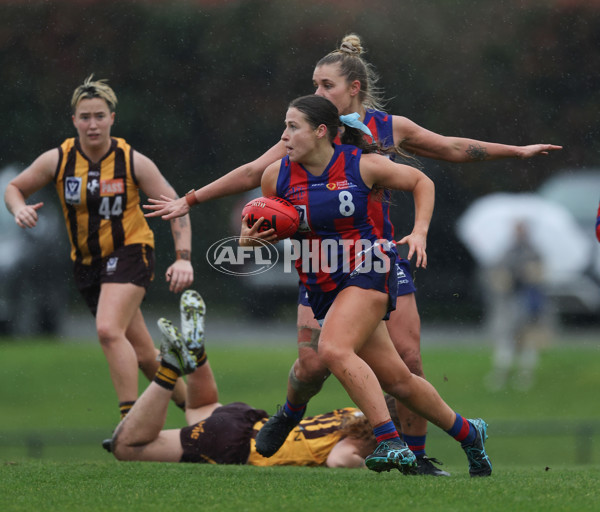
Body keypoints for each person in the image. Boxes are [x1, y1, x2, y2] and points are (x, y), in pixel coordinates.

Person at [144, 34, 560, 475]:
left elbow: (446, 154)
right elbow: (257, 189)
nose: (318, 94)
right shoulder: (288, 158)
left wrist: (511, 154)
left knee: (375, 355)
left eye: (326, 85)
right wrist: (233, 229)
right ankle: (464, 432)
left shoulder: (370, 146)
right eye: (315, 86)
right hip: (320, 273)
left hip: (372, 263)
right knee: (336, 369)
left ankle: (401, 449)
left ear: (352, 89)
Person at [239, 94, 492, 477]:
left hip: (369, 267)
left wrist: (419, 232)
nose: (284, 134)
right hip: (321, 282)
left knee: (334, 349)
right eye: (285, 126)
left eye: (293, 126)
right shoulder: (276, 176)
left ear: (321, 131)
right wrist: (251, 239)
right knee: (399, 380)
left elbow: (422, 182)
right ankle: (469, 433)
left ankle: (390, 441)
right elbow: (266, 233)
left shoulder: (361, 164)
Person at [4, 75, 194, 420]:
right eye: (85, 116)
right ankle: (198, 408)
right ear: (74, 120)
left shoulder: (133, 161)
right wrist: (19, 208)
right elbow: (15, 187)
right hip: (88, 264)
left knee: (108, 331)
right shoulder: (58, 159)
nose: (93, 124)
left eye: (100, 116)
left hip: (131, 251)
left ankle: (129, 420)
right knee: (142, 353)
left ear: (112, 119)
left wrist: (183, 258)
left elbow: (176, 207)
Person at [109, 290, 379, 469]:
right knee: (125, 447)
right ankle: (170, 368)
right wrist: (368, 464)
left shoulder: (354, 415)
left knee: (198, 408)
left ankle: (197, 353)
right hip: (235, 445)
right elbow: (339, 461)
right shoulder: (368, 438)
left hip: (244, 419)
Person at [484, 221, 551, 391]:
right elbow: (498, 275)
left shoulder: (533, 252)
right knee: (506, 338)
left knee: (528, 340)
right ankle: (501, 372)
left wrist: (530, 274)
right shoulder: (508, 251)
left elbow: (539, 275)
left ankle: (524, 374)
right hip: (510, 301)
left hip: (528, 303)